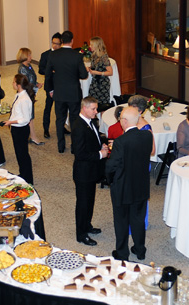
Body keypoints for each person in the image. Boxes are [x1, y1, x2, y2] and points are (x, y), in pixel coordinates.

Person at [105, 106, 153, 261]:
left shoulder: (120, 142)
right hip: (140, 186)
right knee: (138, 219)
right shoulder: (147, 136)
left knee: (121, 221)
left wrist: (109, 180)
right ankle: (140, 250)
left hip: (122, 188)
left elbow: (112, 166)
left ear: (124, 121)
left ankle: (122, 253)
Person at [71, 97, 109, 246]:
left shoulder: (89, 121)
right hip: (83, 173)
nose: (96, 111)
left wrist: (102, 146)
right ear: (84, 108)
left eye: (96, 108)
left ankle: (87, 225)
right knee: (83, 204)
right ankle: (81, 234)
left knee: (90, 201)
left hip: (91, 171)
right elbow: (79, 154)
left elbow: (93, 139)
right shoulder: (79, 127)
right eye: (93, 109)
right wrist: (101, 154)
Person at [46, 30, 89, 153]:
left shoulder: (53, 55)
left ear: (61, 41)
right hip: (73, 93)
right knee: (74, 119)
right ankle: (74, 147)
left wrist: (51, 89)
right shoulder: (77, 56)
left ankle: (61, 146)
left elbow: (48, 75)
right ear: (72, 41)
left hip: (59, 92)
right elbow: (84, 75)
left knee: (60, 119)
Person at [4, 74, 35, 184]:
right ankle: (23, 174)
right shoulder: (19, 95)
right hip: (16, 129)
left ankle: (28, 179)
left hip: (20, 130)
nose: (12, 84)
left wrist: (10, 122)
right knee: (19, 153)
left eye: (13, 82)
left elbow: (26, 119)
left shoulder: (24, 99)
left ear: (18, 85)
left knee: (23, 154)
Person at [16, 47, 45, 145]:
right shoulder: (22, 69)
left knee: (30, 116)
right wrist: (34, 87)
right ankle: (33, 137)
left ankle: (31, 136)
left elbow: (32, 78)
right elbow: (25, 84)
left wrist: (37, 84)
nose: (31, 57)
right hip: (27, 95)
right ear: (24, 56)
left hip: (31, 93)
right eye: (29, 55)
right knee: (29, 116)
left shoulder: (28, 65)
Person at [38, 32, 62, 139]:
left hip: (61, 85)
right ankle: (46, 129)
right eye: (53, 43)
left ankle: (62, 127)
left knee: (61, 108)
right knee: (48, 107)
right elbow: (40, 70)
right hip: (50, 85)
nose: (55, 45)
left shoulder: (63, 54)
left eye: (57, 44)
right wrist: (50, 71)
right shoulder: (45, 55)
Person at [87, 36, 113, 109]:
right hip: (95, 84)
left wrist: (97, 72)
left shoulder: (104, 57)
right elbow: (95, 67)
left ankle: (102, 120)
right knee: (92, 104)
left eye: (91, 45)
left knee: (102, 107)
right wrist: (89, 68)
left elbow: (110, 72)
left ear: (96, 46)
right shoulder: (94, 55)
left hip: (102, 85)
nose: (90, 46)